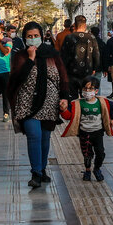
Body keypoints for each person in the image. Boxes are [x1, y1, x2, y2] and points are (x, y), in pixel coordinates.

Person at [6, 22, 70, 188]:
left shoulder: (53, 54)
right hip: (27, 103)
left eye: (36, 36)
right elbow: (16, 79)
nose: (33, 39)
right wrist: (30, 59)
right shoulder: (20, 55)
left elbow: (63, 77)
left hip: (49, 103)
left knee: (45, 137)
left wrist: (64, 97)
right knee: (34, 135)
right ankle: (36, 173)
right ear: (24, 38)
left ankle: (42, 169)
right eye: (29, 36)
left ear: (41, 36)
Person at [61, 75, 113, 181]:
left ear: (96, 91)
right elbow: (68, 116)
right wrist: (63, 109)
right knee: (87, 154)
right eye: (85, 89)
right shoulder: (77, 104)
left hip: (98, 132)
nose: (87, 91)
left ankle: (97, 168)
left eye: (90, 88)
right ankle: (87, 170)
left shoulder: (102, 102)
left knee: (100, 153)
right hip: (84, 133)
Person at [60, 15, 101, 99]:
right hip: (87, 73)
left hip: (71, 73)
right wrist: (95, 69)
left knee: (72, 99)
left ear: (75, 24)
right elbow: (96, 55)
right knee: (86, 98)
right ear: (85, 25)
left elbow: (63, 56)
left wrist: (63, 71)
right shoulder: (92, 37)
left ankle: (75, 111)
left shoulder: (69, 37)